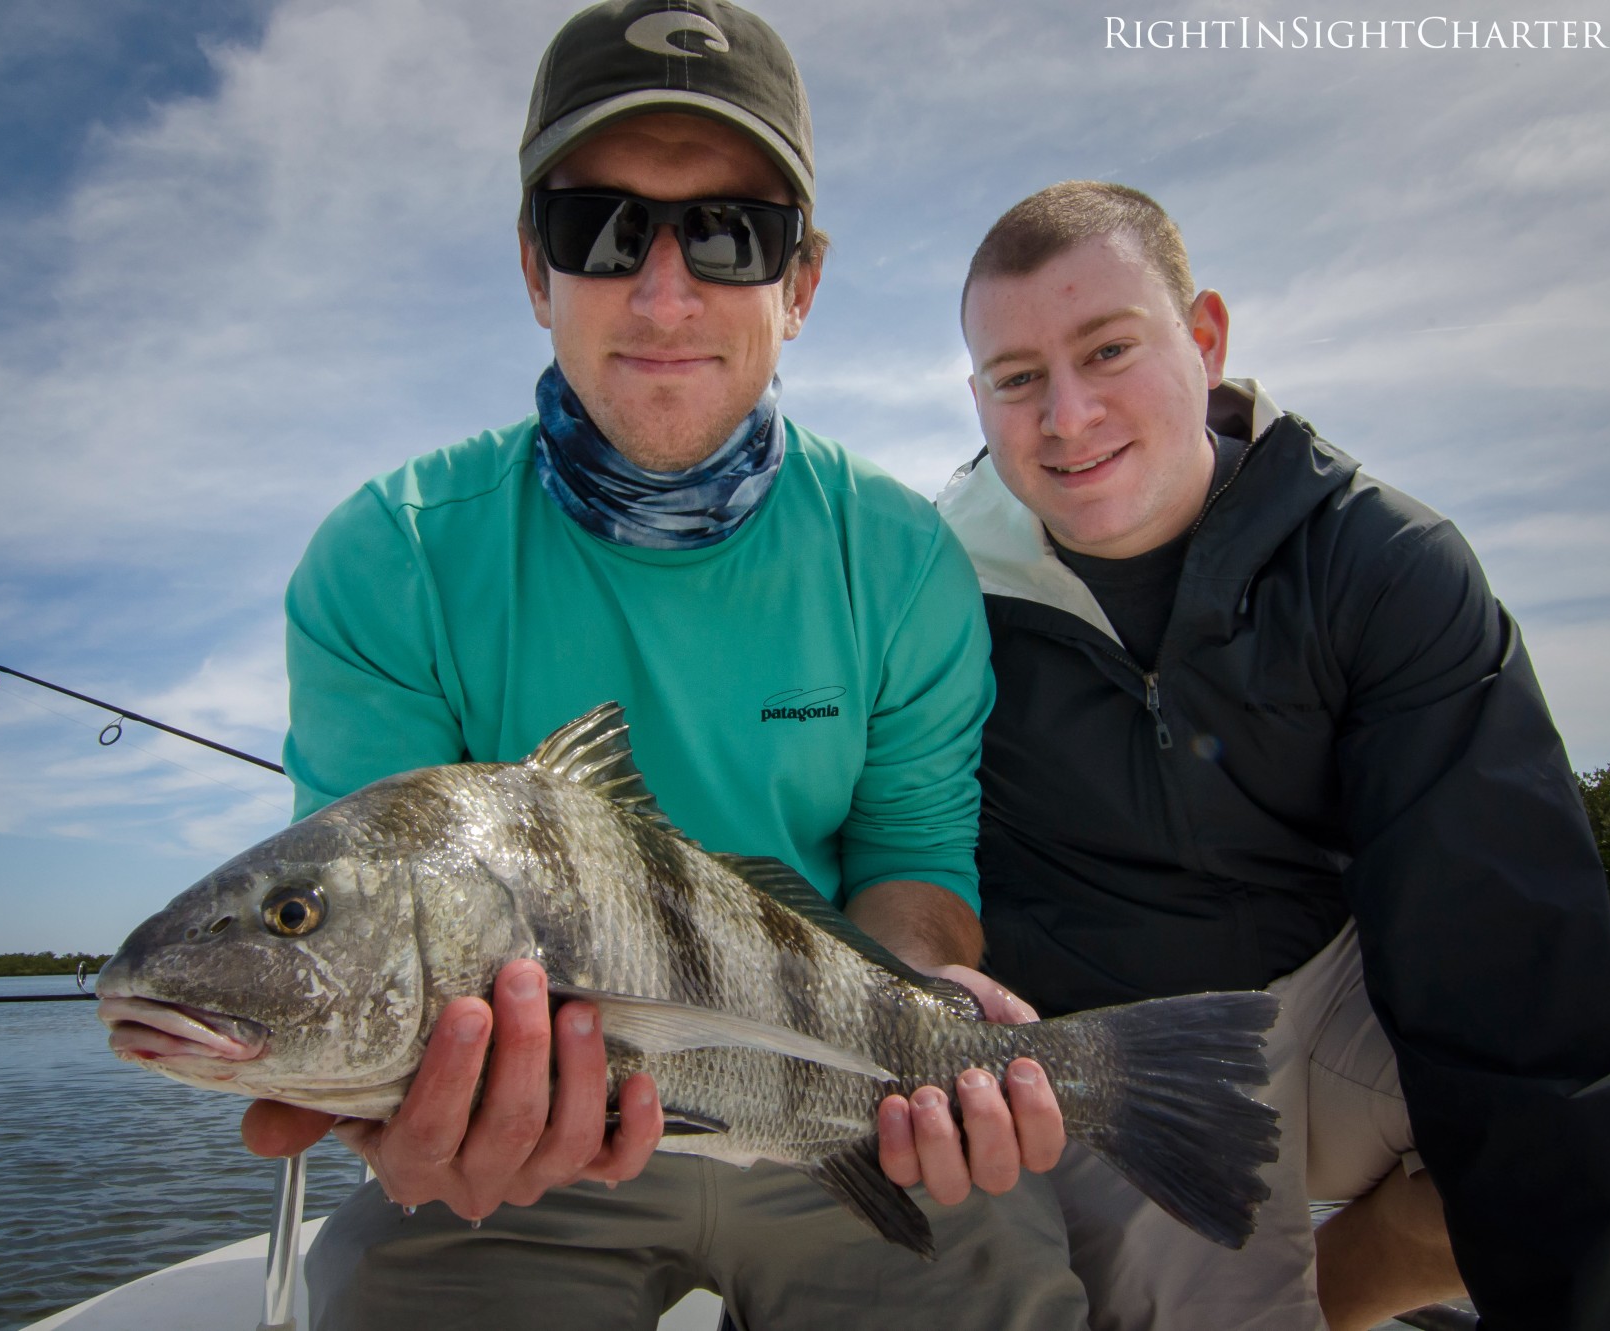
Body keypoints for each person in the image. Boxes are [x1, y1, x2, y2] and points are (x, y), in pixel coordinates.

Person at [240, 4, 1081, 1328]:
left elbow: (913, 860)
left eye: (730, 234)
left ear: (800, 283)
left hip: (830, 1096)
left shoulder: (901, 557)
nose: (665, 291)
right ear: (534, 268)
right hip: (519, 1151)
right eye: (602, 229)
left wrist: (927, 1004)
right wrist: (394, 1103)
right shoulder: (389, 552)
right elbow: (363, 919)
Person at [930, 180, 1610, 1330]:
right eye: (1017, 377)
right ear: (978, 397)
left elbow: (1501, 978)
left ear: (1207, 336)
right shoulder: (925, 591)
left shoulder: (1385, 562)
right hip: (1107, 1047)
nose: (1068, 415)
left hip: (1333, 998)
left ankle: (1343, 1294)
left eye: (1109, 348)